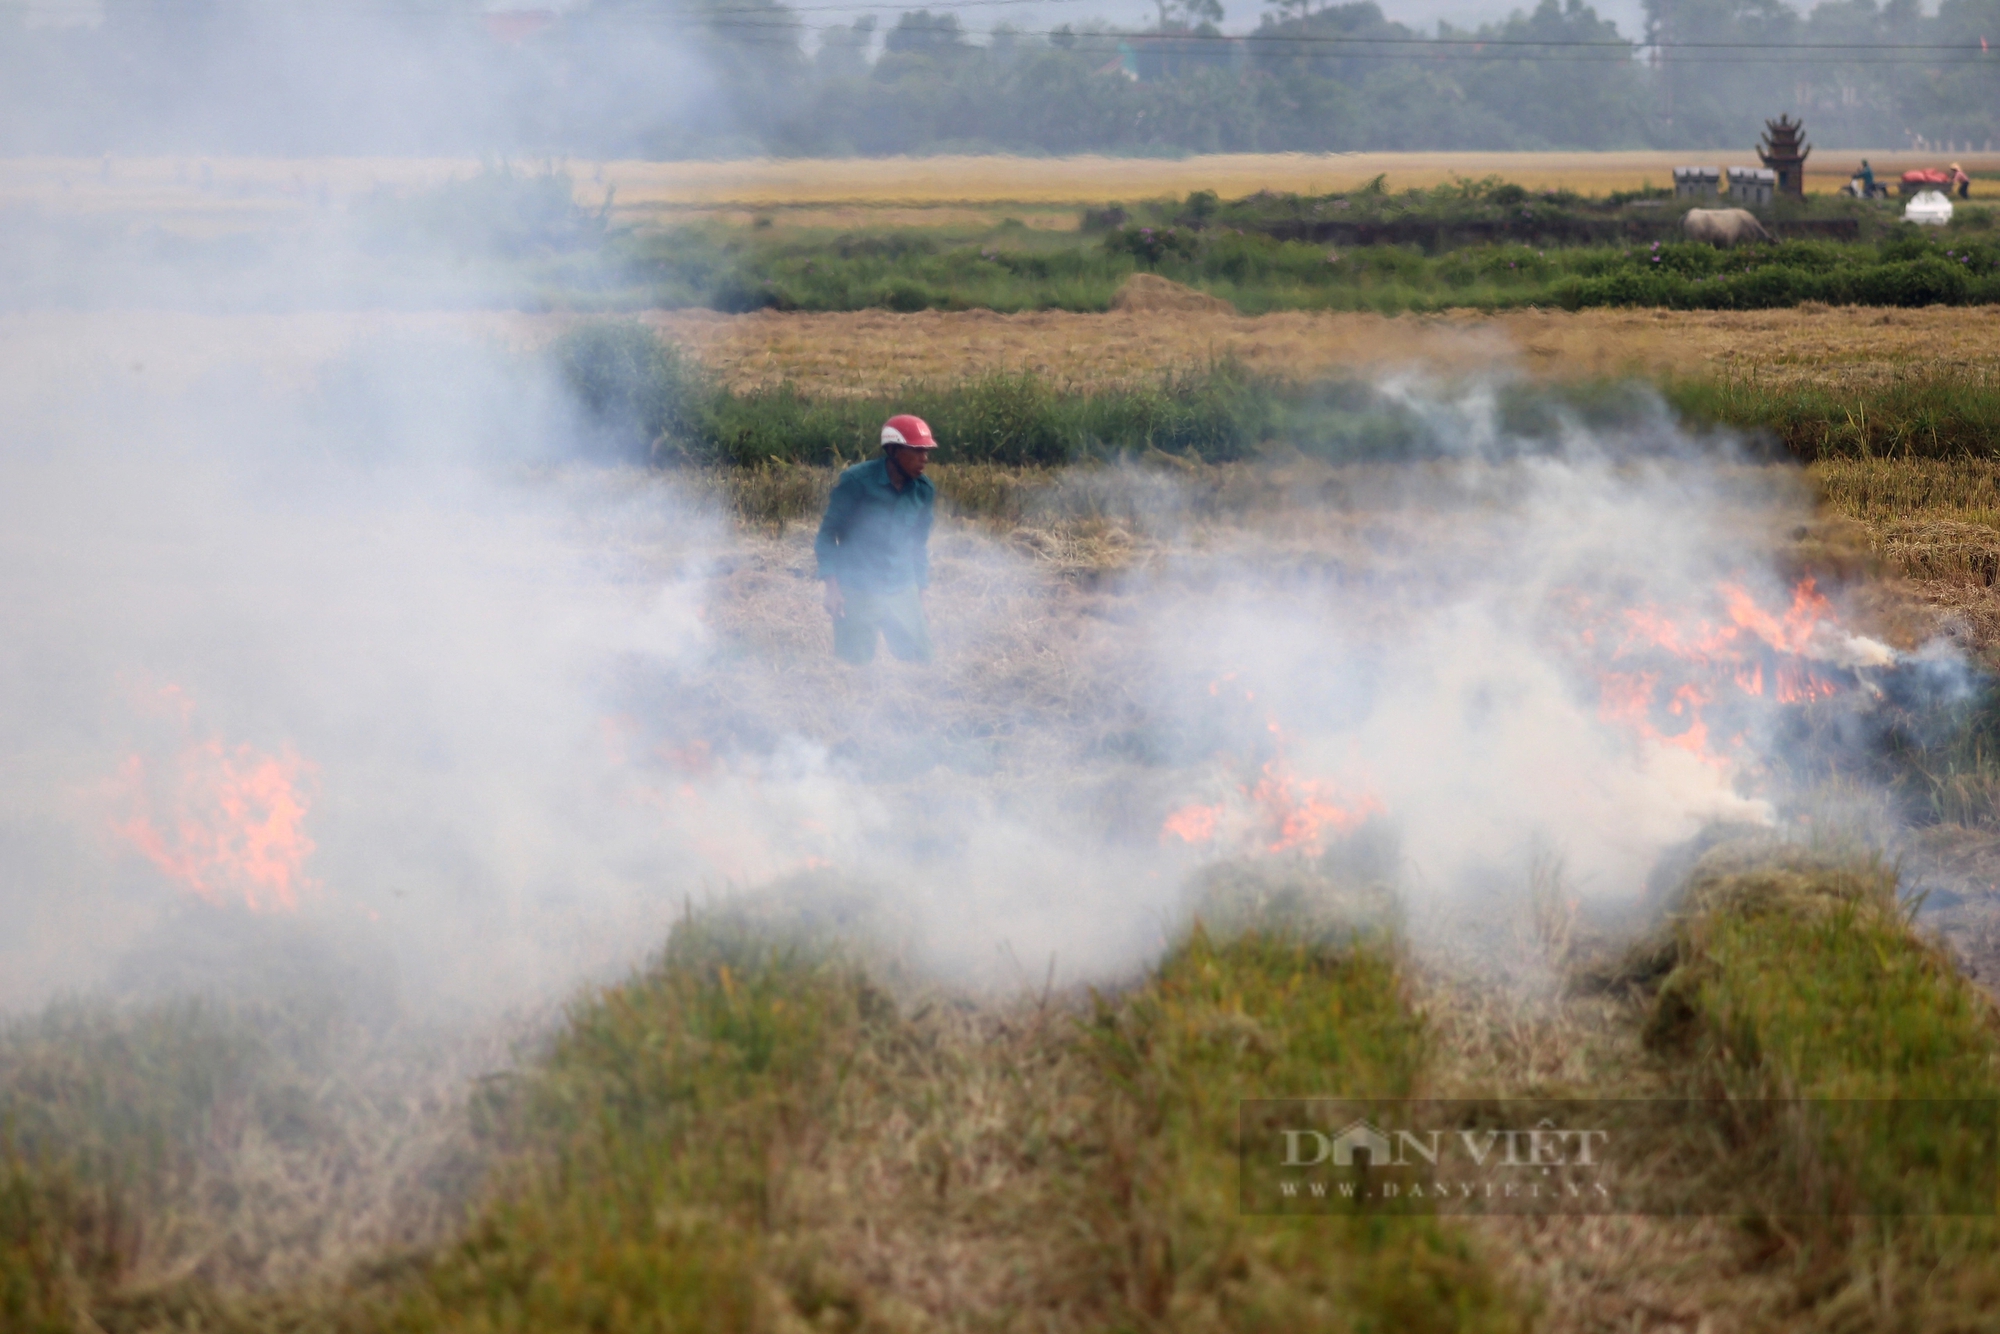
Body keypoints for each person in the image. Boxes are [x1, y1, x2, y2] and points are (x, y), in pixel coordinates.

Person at [814, 414, 937, 665]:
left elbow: (918, 546)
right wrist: (832, 589)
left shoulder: (924, 491)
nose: (924, 458)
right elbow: (827, 535)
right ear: (893, 450)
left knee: (922, 663)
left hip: (902, 587)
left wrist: (921, 595)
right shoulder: (856, 482)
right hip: (857, 588)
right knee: (852, 667)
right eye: (916, 450)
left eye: (926, 451)